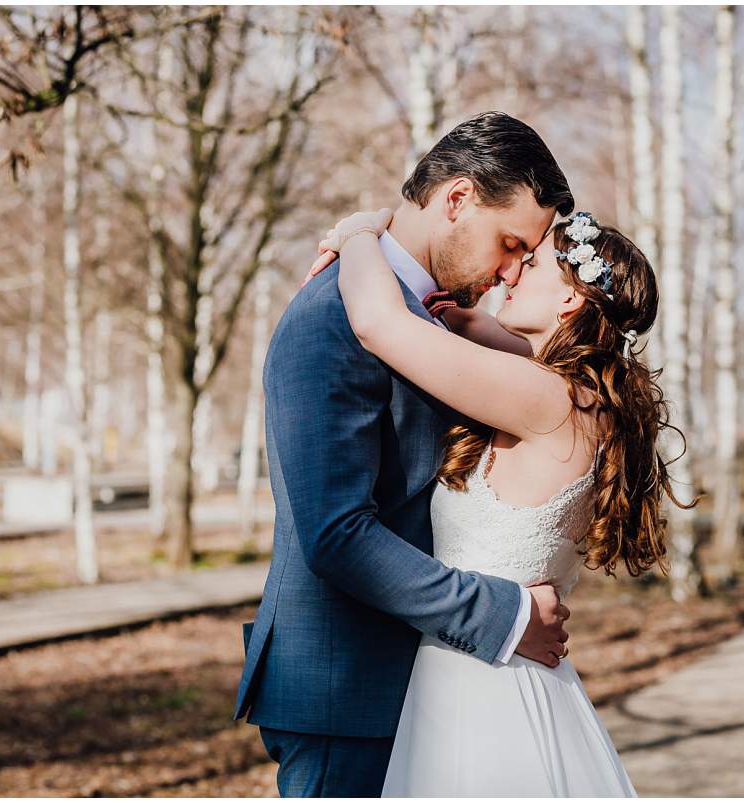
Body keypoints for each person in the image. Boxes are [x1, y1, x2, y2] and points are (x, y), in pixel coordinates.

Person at [233, 112, 578, 797]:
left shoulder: (433, 319)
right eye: (510, 243)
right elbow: (336, 534)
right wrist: (503, 614)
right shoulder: (331, 317)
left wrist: (363, 229)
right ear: (456, 200)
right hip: (348, 688)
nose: (511, 274)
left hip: (430, 686)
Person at [308, 203, 689, 796]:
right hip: (509, 671)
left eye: (531, 262)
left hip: (480, 684)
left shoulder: (550, 399)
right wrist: (469, 323)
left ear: (570, 300)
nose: (511, 272)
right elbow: (513, 355)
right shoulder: (588, 399)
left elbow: (378, 324)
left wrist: (359, 233)